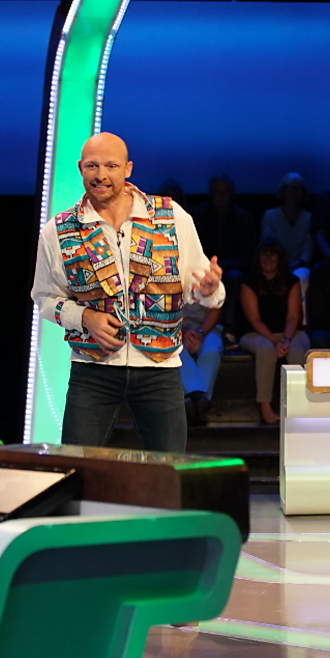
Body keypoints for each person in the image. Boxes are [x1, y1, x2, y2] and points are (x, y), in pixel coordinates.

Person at [31, 132, 224, 452]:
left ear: (128, 169)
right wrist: (85, 317)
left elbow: (203, 288)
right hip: (93, 370)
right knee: (78, 466)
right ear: (80, 168)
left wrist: (209, 288)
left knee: (167, 470)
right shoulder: (59, 230)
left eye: (111, 166)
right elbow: (44, 299)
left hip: (159, 369)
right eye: (92, 166)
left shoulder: (170, 217)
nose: (101, 175)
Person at [239, 240, 309, 424]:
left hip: (288, 331)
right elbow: (254, 319)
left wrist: (286, 339)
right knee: (266, 349)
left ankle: (297, 405)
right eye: (264, 254)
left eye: (273, 254)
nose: (268, 258)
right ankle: (265, 405)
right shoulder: (249, 282)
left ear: (280, 258)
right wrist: (275, 341)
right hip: (257, 333)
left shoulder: (291, 281)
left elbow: (293, 316)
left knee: (296, 350)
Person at [191, 173, 257, 334]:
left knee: (235, 278)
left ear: (232, 193)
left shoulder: (243, 218)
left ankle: (228, 328)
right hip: (201, 268)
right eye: (217, 190)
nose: (221, 195)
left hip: (232, 268)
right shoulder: (196, 215)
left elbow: (248, 253)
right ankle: (192, 326)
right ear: (210, 192)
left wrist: (224, 265)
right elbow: (190, 246)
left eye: (225, 191)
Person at [261, 172, 313, 280]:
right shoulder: (270, 216)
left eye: (298, 188)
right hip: (274, 264)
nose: (294, 192)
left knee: (302, 278)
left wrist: (298, 264)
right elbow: (269, 245)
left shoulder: (308, 218)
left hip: (300, 266)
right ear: (283, 191)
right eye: (291, 188)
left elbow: (308, 248)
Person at [178, 302, 222, 424]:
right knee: (175, 350)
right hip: (172, 328)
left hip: (207, 328)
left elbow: (215, 310)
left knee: (212, 350)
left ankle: (192, 403)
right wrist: (183, 332)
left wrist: (200, 333)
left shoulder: (210, 287)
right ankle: (198, 398)